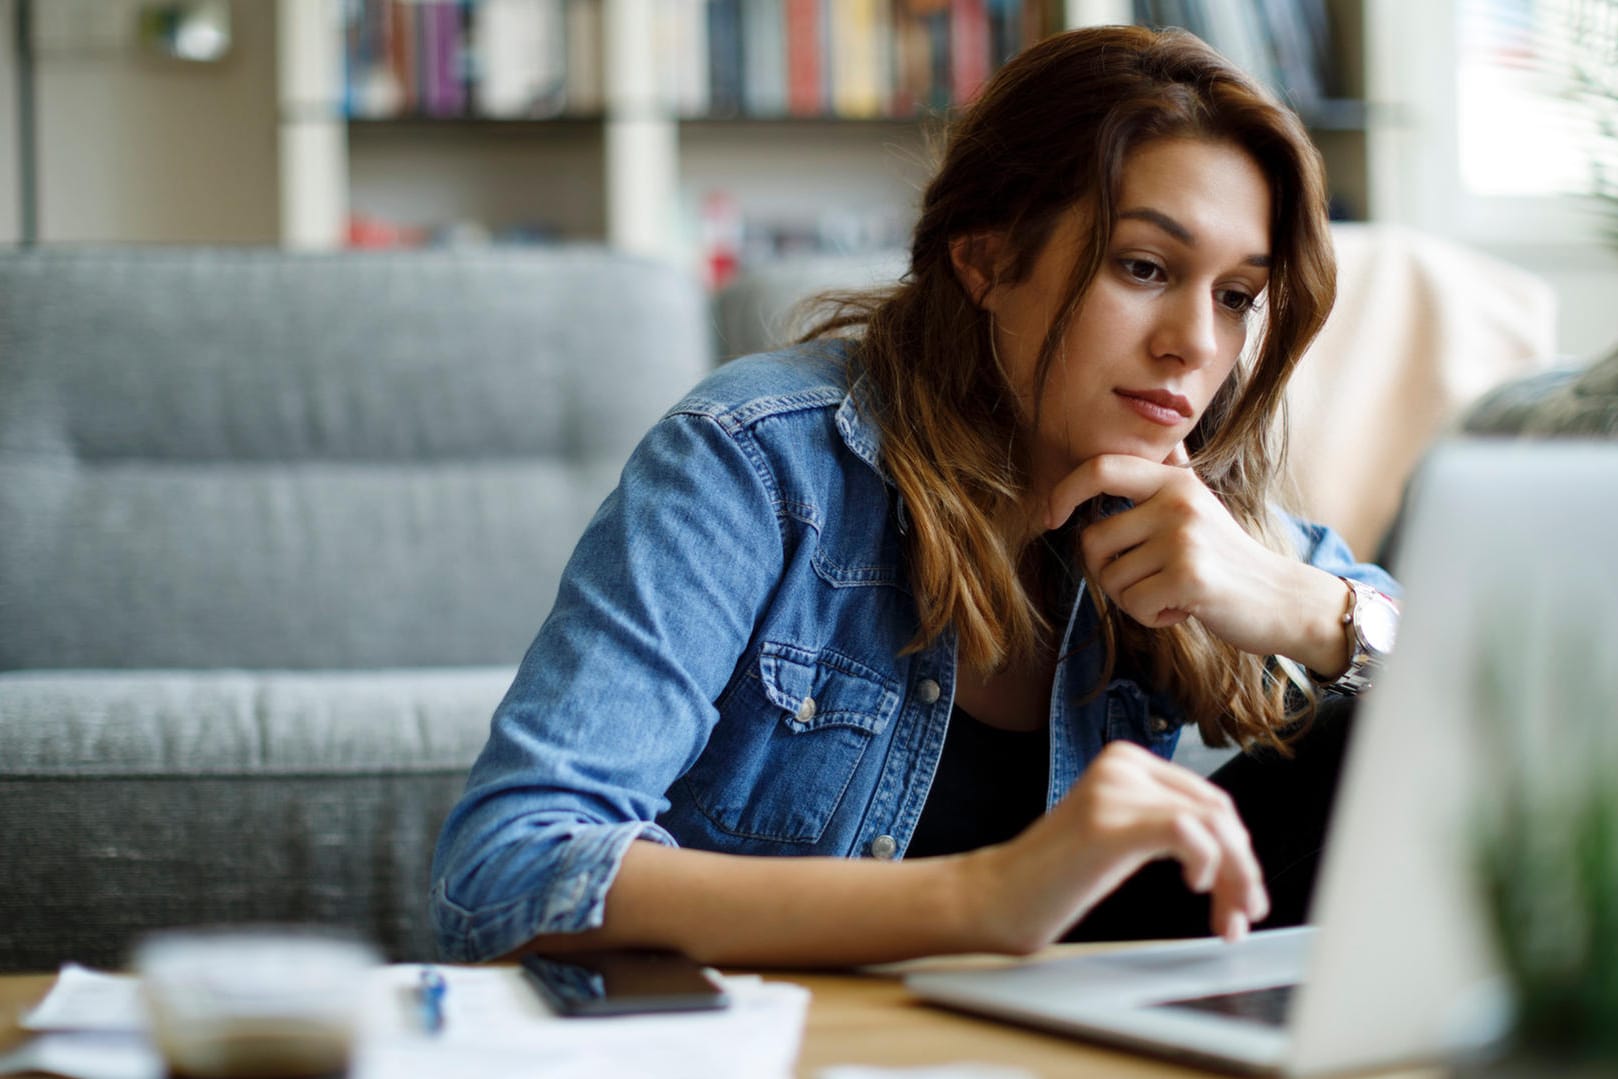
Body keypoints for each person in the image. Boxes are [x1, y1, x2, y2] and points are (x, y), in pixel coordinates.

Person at [430, 24, 1401, 968]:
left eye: (1235, 295)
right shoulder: (757, 460)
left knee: (1388, 724)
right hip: (803, 1038)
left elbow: (1502, 692)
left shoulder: (1187, 503)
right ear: (982, 260)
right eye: (1142, 267)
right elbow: (509, 866)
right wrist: (986, 895)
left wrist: (1309, 607)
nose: (1194, 342)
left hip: (1062, 1028)